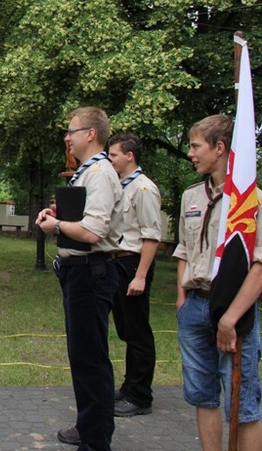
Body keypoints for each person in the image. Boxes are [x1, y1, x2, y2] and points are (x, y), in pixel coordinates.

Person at [173, 114, 262, 450]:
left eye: (196, 146)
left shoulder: (250, 202)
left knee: (244, 405)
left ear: (220, 147)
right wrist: (182, 301)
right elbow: (183, 250)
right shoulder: (190, 196)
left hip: (234, 313)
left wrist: (230, 319)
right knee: (203, 395)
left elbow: (259, 266)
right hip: (195, 307)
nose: (191, 153)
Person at [36, 106, 121, 450]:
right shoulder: (87, 172)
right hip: (79, 273)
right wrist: (59, 215)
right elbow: (83, 219)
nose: (67, 138)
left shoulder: (100, 172)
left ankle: (96, 440)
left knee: (91, 360)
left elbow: (93, 231)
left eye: (71, 131)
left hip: (90, 273)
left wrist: (55, 226)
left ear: (91, 133)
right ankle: (89, 427)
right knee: (84, 357)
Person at [107, 133, 161, 418]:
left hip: (133, 263)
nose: (110, 159)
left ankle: (141, 396)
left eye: (113, 155)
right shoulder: (120, 187)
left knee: (138, 331)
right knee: (127, 330)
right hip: (117, 262)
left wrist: (140, 276)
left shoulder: (143, 189)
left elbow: (151, 236)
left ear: (130, 155)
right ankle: (130, 386)